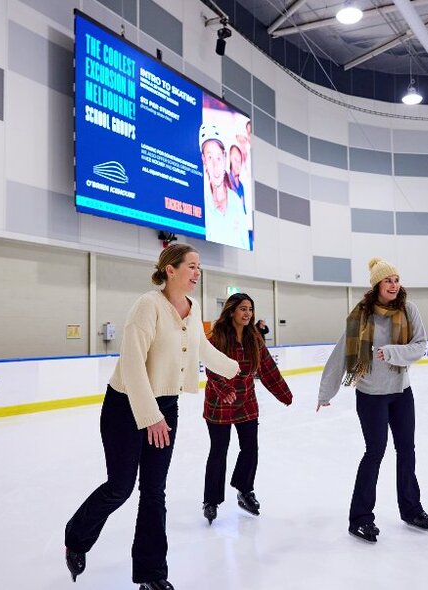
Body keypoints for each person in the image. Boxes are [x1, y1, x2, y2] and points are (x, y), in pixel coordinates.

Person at [64, 244, 239, 590]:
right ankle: (76, 537)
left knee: (154, 491)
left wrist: (236, 370)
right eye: (191, 266)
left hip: (167, 406)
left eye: (199, 267)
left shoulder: (193, 308)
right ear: (170, 270)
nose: (197, 272)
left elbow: (202, 349)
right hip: (127, 406)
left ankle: (151, 574)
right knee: (120, 487)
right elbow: (131, 365)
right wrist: (151, 417)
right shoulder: (148, 306)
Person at [317, 257, 428, 544]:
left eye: (396, 279)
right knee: (375, 452)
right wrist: (326, 392)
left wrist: (393, 353)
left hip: (401, 392)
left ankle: (411, 509)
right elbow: (342, 353)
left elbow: (420, 346)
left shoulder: (408, 310)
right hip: (370, 396)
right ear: (376, 285)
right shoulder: (361, 316)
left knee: (407, 450)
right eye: (387, 280)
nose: (394, 285)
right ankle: (360, 519)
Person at [202, 293, 293, 524]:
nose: (247, 314)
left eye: (250, 309)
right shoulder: (218, 337)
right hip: (220, 402)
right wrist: (223, 389)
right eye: (243, 309)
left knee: (250, 447)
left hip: (246, 402)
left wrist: (284, 394)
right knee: (219, 451)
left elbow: (267, 369)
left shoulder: (254, 338)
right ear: (232, 311)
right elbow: (211, 368)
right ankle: (211, 500)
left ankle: (245, 490)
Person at [200, 123, 249, 249]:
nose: (215, 165)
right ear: (203, 160)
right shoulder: (201, 203)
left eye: (218, 157)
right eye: (210, 157)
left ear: (225, 158)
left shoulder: (237, 202)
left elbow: (245, 243)